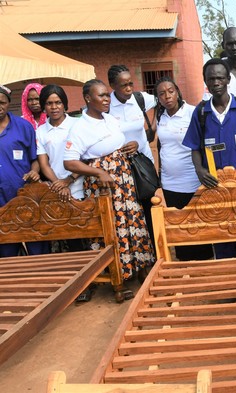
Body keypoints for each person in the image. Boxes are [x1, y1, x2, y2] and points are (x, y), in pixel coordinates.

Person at [63, 79, 154, 293]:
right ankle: (117, 280)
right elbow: (70, 162)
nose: (106, 99)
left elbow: (114, 145)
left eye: (107, 95)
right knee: (111, 230)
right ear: (88, 98)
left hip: (125, 182)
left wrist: (133, 145)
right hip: (103, 187)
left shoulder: (110, 120)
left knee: (133, 223)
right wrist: (98, 172)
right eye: (101, 95)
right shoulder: (79, 127)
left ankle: (139, 267)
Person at [183, 58, 236, 259]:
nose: (216, 82)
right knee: (222, 241)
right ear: (205, 82)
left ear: (227, 79)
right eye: (211, 79)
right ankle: (230, 288)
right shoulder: (200, 112)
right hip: (215, 190)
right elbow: (195, 148)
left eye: (220, 78)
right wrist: (200, 171)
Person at [154, 76, 214, 261]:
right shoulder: (160, 116)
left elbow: (203, 144)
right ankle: (185, 264)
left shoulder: (192, 113)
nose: (167, 96)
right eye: (162, 94)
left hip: (193, 180)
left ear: (178, 92)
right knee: (179, 224)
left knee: (197, 222)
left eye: (170, 91)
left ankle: (203, 264)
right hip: (170, 183)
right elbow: (161, 146)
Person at [107, 64, 157, 246]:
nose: (129, 89)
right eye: (123, 85)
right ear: (112, 85)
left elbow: (162, 101)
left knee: (150, 209)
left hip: (144, 166)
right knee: (130, 214)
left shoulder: (139, 99)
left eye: (131, 84)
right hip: (121, 170)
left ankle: (156, 254)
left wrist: (152, 128)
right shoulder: (106, 106)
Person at [0, 85, 49, 257]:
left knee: (36, 240)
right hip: (0, 199)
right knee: (6, 245)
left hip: (24, 193)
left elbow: (34, 159)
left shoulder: (23, 127)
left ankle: (44, 279)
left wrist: (35, 172)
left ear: (8, 103)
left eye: (2, 103)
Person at [36, 85, 85, 254]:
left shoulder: (78, 124)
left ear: (64, 104)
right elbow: (44, 164)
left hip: (80, 187)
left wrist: (69, 180)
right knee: (67, 236)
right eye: (49, 103)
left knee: (84, 234)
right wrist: (59, 184)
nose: (54, 107)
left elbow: (86, 158)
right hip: (57, 189)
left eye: (58, 102)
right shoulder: (41, 131)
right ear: (44, 106)